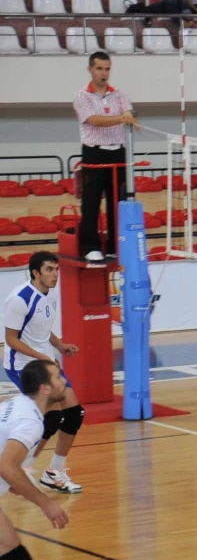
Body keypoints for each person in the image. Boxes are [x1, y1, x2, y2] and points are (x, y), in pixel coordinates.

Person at [0, 360, 75, 560]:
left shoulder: (15, 405)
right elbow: (7, 466)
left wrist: (16, 484)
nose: (63, 382)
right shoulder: (30, 422)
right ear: (45, 388)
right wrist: (45, 502)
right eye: (58, 378)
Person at [3, 252, 84, 494]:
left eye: (56, 270)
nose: (55, 275)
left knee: (75, 413)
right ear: (35, 272)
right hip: (23, 366)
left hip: (44, 362)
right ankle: (23, 468)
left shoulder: (50, 295)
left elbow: (42, 328)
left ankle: (53, 472)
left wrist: (59, 345)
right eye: (49, 270)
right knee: (52, 417)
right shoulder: (18, 299)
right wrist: (44, 357)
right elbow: (11, 339)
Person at [73, 52, 138, 263]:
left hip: (118, 152)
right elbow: (94, 120)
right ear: (90, 69)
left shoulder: (119, 94)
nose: (104, 73)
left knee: (116, 202)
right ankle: (90, 246)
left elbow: (129, 112)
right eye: (99, 68)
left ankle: (113, 246)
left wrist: (129, 116)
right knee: (91, 202)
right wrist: (122, 117)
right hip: (95, 152)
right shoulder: (82, 96)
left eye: (107, 69)